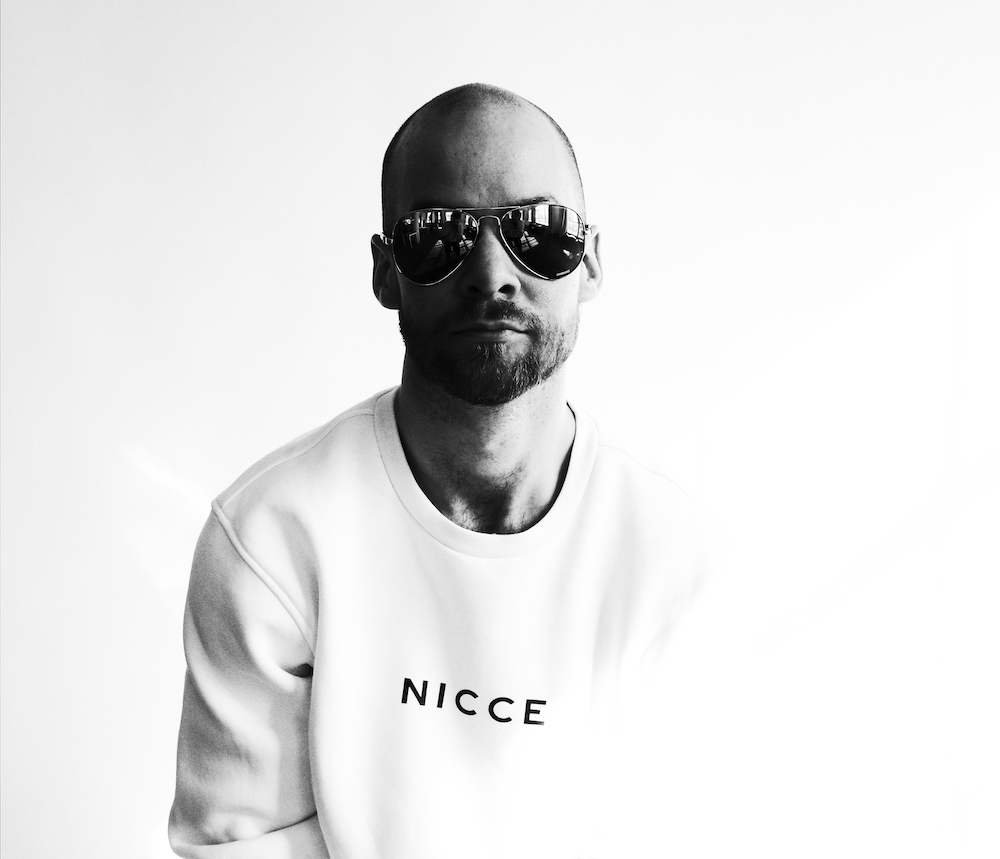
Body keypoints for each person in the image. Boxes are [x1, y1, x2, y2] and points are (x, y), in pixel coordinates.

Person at [169, 83, 714, 859]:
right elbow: (239, 844)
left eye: (539, 231)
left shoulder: (670, 551)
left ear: (591, 260)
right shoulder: (274, 534)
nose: (492, 272)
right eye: (438, 235)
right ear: (386, 271)